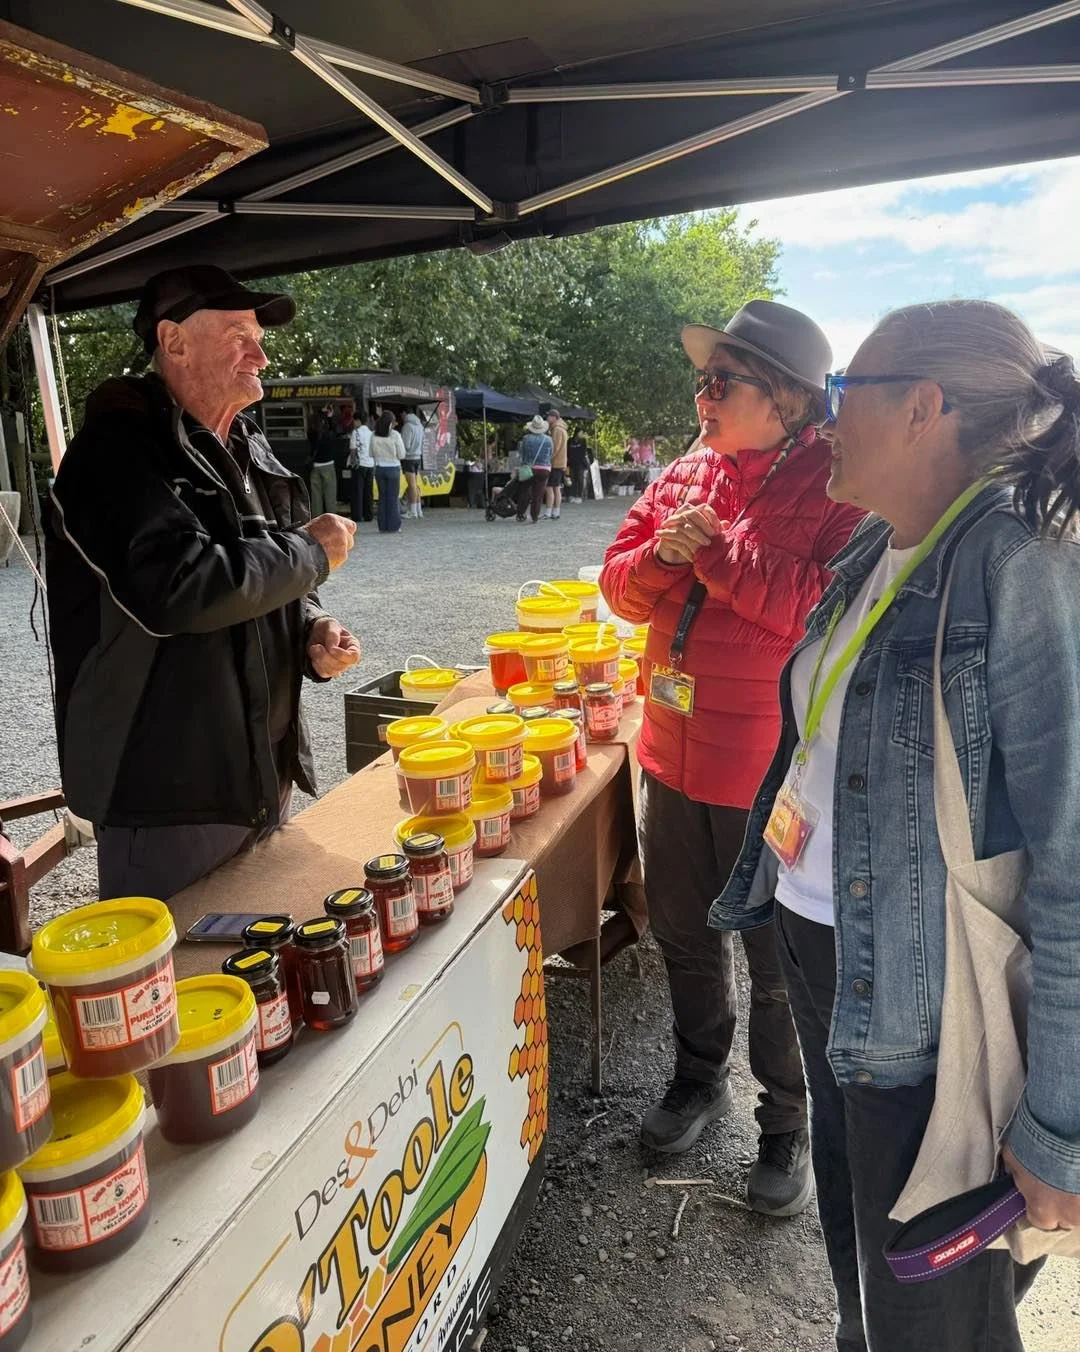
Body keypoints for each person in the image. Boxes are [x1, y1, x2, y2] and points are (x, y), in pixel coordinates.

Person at [711, 299, 1080, 1351]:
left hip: (928, 1003)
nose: (823, 421)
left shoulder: (1024, 559)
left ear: (923, 407)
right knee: (865, 1258)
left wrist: (1062, 1122)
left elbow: (1074, 855)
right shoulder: (883, 543)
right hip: (837, 957)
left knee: (935, 1312)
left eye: (842, 396)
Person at [600, 300, 864, 1214]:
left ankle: (787, 1124)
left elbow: (824, 611)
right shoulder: (685, 470)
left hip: (771, 773)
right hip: (670, 756)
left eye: (724, 379)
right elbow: (619, 586)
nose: (702, 393)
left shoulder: (843, 483)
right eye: (703, 378)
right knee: (681, 933)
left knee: (779, 962)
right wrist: (666, 562)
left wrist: (719, 555)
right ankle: (696, 1076)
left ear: (788, 400)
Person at [45, 264, 360, 903]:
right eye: (239, 332)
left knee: (262, 978)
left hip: (257, 775)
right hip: (167, 793)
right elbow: (179, 588)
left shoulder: (242, 442)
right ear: (175, 341)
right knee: (184, 989)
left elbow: (263, 579)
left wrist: (309, 630)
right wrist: (309, 551)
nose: (262, 353)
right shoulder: (118, 450)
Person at [372, 411, 406, 533]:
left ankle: (383, 525)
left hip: (379, 468)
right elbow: (402, 454)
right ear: (391, 423)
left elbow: (371, 453)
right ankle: (394, 525)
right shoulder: (395, 435)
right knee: (393, 498)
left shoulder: (374, 435)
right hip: (393, 468)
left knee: (382, 498)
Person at [516, 414, 553, 523]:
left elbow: (522, 454)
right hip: (544, 469)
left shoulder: (526, 439)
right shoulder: (548, 439)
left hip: (529, 468)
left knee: (525, 491)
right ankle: (535, 516)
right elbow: (551, 454)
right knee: (538, 494)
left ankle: (521, 513)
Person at [309, 402, 339, 516]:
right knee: (330, 496)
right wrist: (329, 417)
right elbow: (336, 432)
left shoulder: (311, 433)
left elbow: (315, 421)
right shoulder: (327, 434)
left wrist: (321, 413)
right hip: (328, 466)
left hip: (315, 466)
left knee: (316, 497)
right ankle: (331, 520)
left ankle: (317, 520)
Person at [348, 411, 375, 523]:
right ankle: (368, 515)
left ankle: (357, 516)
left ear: (357, 420)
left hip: (359, 465)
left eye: (354, 421)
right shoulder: (371, 433)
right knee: (368, 491)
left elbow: (353, 450)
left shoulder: (356, 432)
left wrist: (353, 463)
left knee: (357, 491)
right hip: (370, 464)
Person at [543, 408, 569, 519]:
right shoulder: (562, 428)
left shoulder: (557, 430)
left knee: (550, 487)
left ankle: (548, 512)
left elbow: (555, 447)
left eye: (548, 416)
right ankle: (556, 512)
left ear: (554, 417)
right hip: (561, 463)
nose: (547, 418)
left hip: (555, 463)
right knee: (556, 487)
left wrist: (548, 459)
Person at [400, 407, 425, 518]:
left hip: (408, 458)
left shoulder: (407, 426)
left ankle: (412, 511)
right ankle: (419, 510)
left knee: (411, 485)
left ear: (405, 413)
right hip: (417, 457)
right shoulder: (420, 425)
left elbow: (406, 444)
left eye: (401, 414)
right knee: (415, 484)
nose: (401, 417)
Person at [567, 427, 590, 502]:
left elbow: (584, 452)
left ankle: (579, 496)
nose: (582, 434)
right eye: (581, 432)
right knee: (572, 479)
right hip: (571, 463)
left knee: (580, 479)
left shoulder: (583, 441)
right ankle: (572, 495)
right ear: (577, 433)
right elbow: (568, 451)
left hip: (580, 464)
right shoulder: (570, 441)